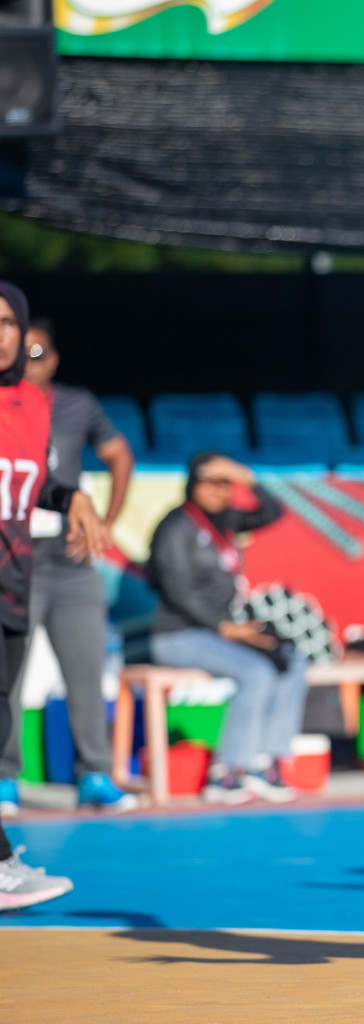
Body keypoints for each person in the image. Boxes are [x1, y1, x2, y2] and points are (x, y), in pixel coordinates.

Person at [0, 319, 138, 816]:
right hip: (14, 558)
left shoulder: (75, 403)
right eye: (24, 355)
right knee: (7, 675)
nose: (31, 363)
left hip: (69, 560)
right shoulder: (5, 403)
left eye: (39, 354)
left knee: (85, 670)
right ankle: (4, 777)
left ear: (53, 359)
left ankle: (95, 774)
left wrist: (106, 519)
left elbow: (119, 455)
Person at [0, 280, 107, 906]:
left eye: (8, 322)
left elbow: (31, 483)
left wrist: (71, 496)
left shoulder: (32, 404)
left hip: (13, 582)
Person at [148, 452, 307, 805]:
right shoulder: (176, 526)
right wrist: (223, 627)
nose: (219, 491)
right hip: (179, 635)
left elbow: (273, 512)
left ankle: (268, 763)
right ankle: (227, 772)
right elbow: (177, 589)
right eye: (210, 482)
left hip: (223, 632)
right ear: (192, 484)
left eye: (225, 484)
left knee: (291, 661)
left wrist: (245, 475)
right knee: (256, 672)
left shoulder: (227, 521)